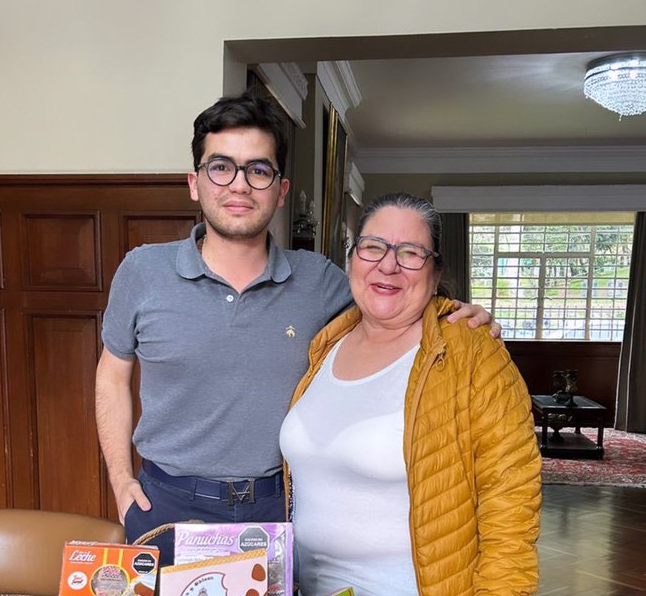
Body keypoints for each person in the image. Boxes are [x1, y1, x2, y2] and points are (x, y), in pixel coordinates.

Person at [96, 94, 497, 560]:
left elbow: (394, 307)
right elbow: (112, 375)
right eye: (220, 167)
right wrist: (120, 479)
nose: (239, 185)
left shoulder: (320, 280)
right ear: (195, 182)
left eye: (258, 170)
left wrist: (458, 315)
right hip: (165, 503)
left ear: (281, 189)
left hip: (280, 506)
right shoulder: (143, 271)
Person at [280, 192, 541, 596]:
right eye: (373, 247)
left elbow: (512, 490)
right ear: (353, 257)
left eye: (411, 252)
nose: (388, 266)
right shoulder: (327, 342)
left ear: (435, 271)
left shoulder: (472, 353)